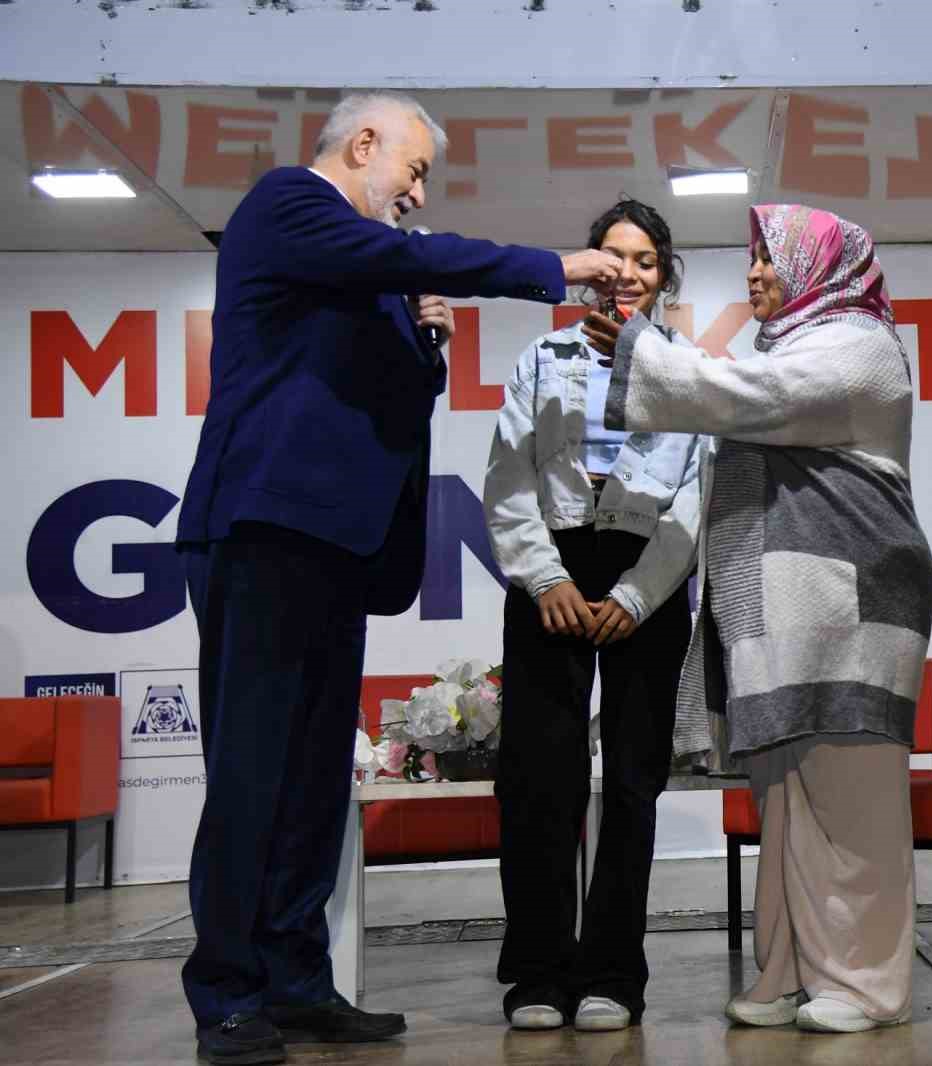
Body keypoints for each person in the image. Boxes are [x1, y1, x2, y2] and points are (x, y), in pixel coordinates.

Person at [174, 91, 623, 1065]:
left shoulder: (361, 264)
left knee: (309, 784)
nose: (416, 193)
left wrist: (427, 351)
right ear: (364, 142)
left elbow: (375, 399)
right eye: (412, 169)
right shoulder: (288, 205)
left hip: (337, 545)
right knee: (254, 771)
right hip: (263, 528)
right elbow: (405, 256)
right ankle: (229, 995)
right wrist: (548, 270)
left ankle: (297, 984)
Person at [583, 204, 932, 1035]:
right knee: (787, 804)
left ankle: (867, 986)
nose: (753, 274)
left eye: (769, 257)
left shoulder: (858, 344)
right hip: (790, 608)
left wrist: (646, 350)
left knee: (853, 806)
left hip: (850, 604)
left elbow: (750, 395)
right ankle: (790, 972)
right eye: (750, 257)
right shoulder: (794, 343)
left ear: (820, 265)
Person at [483, 198, 701, 1033]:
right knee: (540, 782)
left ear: (663, 273)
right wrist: (544, 579)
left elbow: (695, 496)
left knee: (635, 786)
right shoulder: (541, 356)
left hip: (644, 578)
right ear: (589, 268)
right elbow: (508, 480)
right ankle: (537, 973)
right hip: (554, 577)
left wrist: (642, 594)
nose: (629, 274)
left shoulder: (685, 367)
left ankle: (615, 971)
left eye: (646, 260)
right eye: (614, 257)